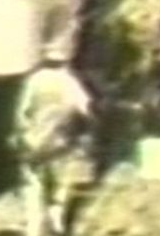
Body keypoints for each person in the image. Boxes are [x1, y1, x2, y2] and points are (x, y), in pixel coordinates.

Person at [12, 54, 93, 236]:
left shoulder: (34, 80)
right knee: (59, 186)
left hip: (34, 142)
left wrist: (21, 137)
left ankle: (33, 228)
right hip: (60, 143)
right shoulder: (69, 82)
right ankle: (56, 221)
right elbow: (85, 109)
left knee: (32, 187)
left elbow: (21, 114)